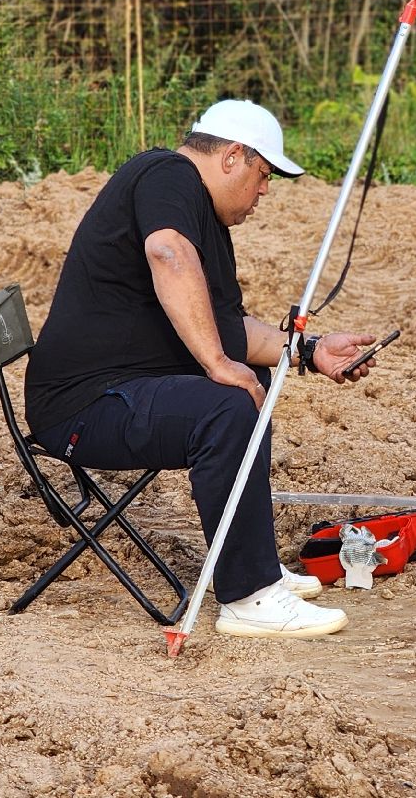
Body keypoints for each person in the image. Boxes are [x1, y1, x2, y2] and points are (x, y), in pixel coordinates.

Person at [24, 99, 379, 639]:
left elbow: (228, 328)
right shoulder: (168, 174)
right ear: (233, 157)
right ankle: (248, 597)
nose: (265, 192)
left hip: (117, 389)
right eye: (263, 175)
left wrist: (308, 351)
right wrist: (216, 363)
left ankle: (251, 563)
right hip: (80, 407)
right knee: (229, 403)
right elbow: (167, 254)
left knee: (246, 384)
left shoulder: (200, 214)